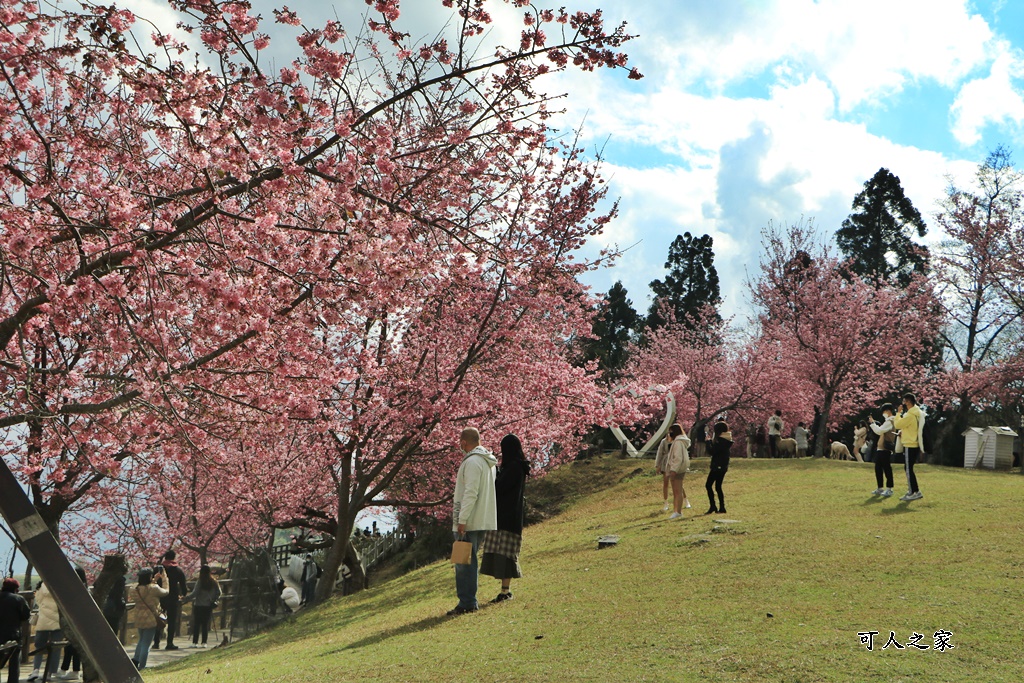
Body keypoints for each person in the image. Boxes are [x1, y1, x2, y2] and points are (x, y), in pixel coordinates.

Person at [448, 427, 498, 616]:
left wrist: (462, 519)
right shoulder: (487, 462)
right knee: (469, 561)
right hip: (482, 518)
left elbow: (470, 492)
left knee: (463, 562)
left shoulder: (472, 462)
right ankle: (468, 600)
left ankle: (467, 602)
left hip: (469, 520)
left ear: (464, 442)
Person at [480, 434, 530, 603]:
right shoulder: (519, 467)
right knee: (505, 553)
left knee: (506, 555)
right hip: (510, 518)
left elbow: (499, 488)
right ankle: (504, 590)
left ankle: (505, 591)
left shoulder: (514, 468)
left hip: (506, 518)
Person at [130, 567, 168, 670]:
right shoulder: (154, 588)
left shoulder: (134, 589)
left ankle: (135, 660)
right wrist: (164, 578)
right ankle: (142, 666)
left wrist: (153, 580)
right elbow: (165, 591)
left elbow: (145, 588)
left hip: (139, 617)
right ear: (149, 577)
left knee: (141, 640)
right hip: (151, 618)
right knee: (146, 644)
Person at [55, 567, 88, 681]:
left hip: (77, 620)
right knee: (71, 646)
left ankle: (75, 670)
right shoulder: (83, 587)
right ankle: (67, 669)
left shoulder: (77, 587)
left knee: (74, 646)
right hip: (78, 620)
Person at [891, 393, 925, 501]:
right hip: (913, 442)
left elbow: (897, 425)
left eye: (904, 401)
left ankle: (913, 492)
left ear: (908, 401)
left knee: (908, 469)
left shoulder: (910, 414)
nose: (903, 403)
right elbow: (910, 428)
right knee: (908, 468)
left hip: (910, 444)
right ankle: (914, 491)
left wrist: (898, 413)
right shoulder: (917, 412)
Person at [26, 581, 61, 682]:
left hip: (43, 620)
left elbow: (38, 600)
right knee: (55, 648)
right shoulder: (60, 587)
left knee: (39, 646)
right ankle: (49, 673)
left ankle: (35, 670)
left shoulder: (41, 588)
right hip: (58, 620)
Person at [182, 566, 221, 649]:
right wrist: (214, 599)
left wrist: (186, 598)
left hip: (199, 605)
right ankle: (204, 642)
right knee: (205, 624)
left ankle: (195, 642)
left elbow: (194, 593)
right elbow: (219, 592)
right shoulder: (214, 582)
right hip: (208, 606)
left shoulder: (200, 581)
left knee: (196, 624)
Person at [0, 578, 30, 683]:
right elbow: (26, 615)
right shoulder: (18, 599)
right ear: (16, 588)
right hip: (13, 634)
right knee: (14, 661)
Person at [157, 551, 187, 650]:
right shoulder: (178, 570)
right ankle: (169, 643)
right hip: (173, 598)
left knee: (158, 619)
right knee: (172, 621)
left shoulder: (159, 569)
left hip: (160, 597)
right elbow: (183, 585)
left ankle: (156, 642)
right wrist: (183, 594)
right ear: (174, 558)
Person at [705, 421, 733, 514]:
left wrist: (708, 442)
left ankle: (713, 506)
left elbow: (712, 451)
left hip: (717, 466)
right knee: (718, 486)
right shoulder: (726, 440)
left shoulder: (721, 441)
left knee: (709, 485)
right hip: (723, 466)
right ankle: (721, 507)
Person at [869, 403, 896, 497]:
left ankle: (889, 488)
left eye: (884, 411)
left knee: (886, 468)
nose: (883, 414)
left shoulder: (890, 421)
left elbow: (879, 431)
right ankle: (880, 488)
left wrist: (872, 423)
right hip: (881, 448)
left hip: (885, 448)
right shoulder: (888, 421)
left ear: (888, 411)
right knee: (878, 468)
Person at [666, 423, 691, 520]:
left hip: (677, 469)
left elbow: (678, 458)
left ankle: (678, 511)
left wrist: (673, 470)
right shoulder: (678, 441)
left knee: (678, 491)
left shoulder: (678, 442)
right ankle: (675, 510)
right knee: (676, 491)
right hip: (677, 468)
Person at [654, 431, 672, 512]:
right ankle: (666, 503)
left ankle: (685, 500)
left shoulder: (676, 441)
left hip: (674, 462)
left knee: (678, 483)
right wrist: (657, 465)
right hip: (665, 463)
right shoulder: (663, 442)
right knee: (665, 483)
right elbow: (659, 453)